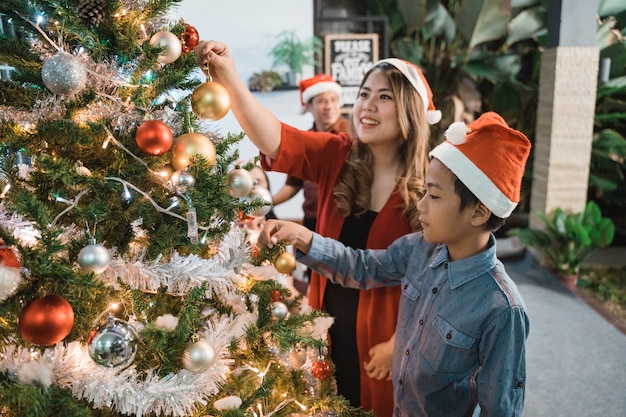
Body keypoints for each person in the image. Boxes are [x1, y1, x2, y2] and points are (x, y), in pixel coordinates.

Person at [194, 40, 441, 416]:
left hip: (391, 340)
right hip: (328, 327)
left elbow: (439, 282)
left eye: (384, 97)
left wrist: (402, 342)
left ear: (409, 110)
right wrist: (229, 75)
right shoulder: (337, 155)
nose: (367, 106)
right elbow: (272, 136)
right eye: (363, 94)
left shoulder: (431, 187)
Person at [258, 112, 531, 417]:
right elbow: (363, 267)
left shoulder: (502, 309)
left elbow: (501, 409)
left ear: (479, 213)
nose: (421, 204)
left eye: (435, 196)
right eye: (425, 190)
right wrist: (305, 238)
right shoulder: (419, 249)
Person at [272, 74, 350, 294]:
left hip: (343, 220)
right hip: (313, 222)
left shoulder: (352, 134)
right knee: (316, 282)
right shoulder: (305, 141)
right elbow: (293, 185)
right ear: (309, 106)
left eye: (333, 100)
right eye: (322, 101)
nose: (329, 106)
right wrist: (265, 201)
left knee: (343, 282)